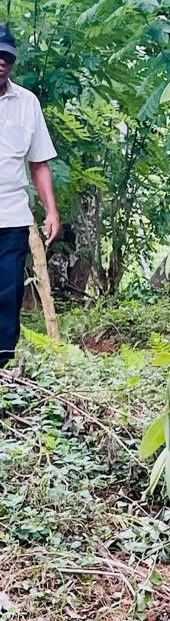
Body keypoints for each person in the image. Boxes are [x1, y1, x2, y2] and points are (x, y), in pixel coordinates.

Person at [0, 25, 60, 368]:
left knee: (8, 291)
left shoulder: (27, 103)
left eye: (6, 57)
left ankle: (2, 362)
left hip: (11, 216)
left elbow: (39, 163)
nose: (1, 63)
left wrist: (51, 211)